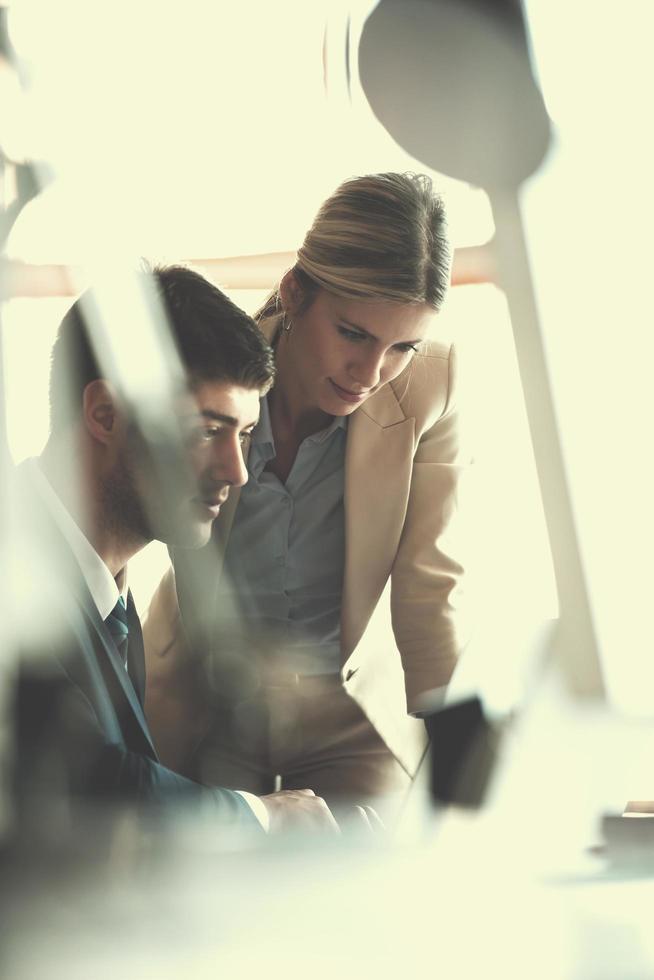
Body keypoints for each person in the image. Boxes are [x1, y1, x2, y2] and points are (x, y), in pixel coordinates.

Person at [144, 173, 469, 819]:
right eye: (353, 333)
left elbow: (430, 587)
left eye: (402, 346)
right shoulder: (210, 367)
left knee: (360, 881)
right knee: (213, 879)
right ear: (295, 292)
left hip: (347, 712)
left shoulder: (433, 385)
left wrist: (461, 764)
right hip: (213, 697)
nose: (371, 374)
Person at [10, 264, 339, 839]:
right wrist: (262, 816)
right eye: (208, 431)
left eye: (242, 436)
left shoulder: (112, 600)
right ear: (105, 415)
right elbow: (86, 784)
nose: (237, 473)